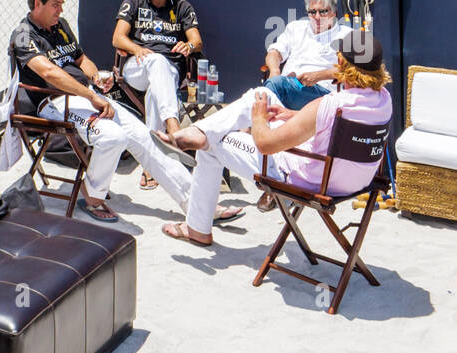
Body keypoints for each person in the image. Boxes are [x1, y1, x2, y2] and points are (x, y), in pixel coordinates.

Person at [8, 0, 243, 226]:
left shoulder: (60, 26)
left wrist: (96, 76)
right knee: (112, 137)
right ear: (37, 4)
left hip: (86, 96)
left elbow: (80, 59)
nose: (61, 9)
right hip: (53, 103)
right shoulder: (23, 34)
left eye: (62, 4)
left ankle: (197, 204)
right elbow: (49, 72)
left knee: (145, 136)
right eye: (56, 4)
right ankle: (93, 197)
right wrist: (90, 95)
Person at [161, 33, 392, 246]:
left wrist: (259, 119)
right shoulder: (383, 101)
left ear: (341, 63)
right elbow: (328, 126)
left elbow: (265, 144)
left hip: (304, 179)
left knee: (215, 141)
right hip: (355, 181)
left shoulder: (330, 105)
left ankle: (197, 227)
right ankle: (200, 132)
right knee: (266, 95)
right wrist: (293, 115)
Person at [112, 0, 203, 186]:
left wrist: (188, 46)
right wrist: (136, 48)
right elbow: (118, 38)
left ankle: (150, 165)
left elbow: (197, 41)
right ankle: (174, 129)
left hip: (171, 69)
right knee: (156, 62)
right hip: (138, 67)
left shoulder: (182, 6)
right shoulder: (133, 3)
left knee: (156, 89)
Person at [263, 0, 346, 110]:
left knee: (265, 92)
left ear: (333, 13)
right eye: (312, 12)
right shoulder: (295, 28)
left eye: (323, 12)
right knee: (257, 94)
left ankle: (252, 125)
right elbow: (274, 53)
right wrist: (275, 71)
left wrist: (318, 76)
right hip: (285, 85)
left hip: (321, 93)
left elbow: (353, 70)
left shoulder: (346, 35)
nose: (317, 17)